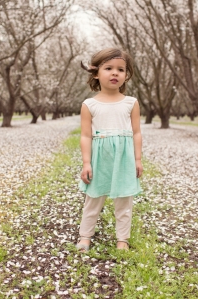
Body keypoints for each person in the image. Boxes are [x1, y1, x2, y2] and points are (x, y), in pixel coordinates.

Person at [76, 48, 143, 251]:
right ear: (96, 73)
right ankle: (85, 236)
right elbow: (86, 135)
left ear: (126, 75)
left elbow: (136, 133)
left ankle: (123, 238)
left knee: (124, 202)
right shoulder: (90, 104)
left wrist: (138, 160)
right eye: (109, 68)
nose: (115, 73)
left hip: (123, 159)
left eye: (121, 69)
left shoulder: (131, 103)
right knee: (93, 199)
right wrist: (86, 163)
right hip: (100, 158)